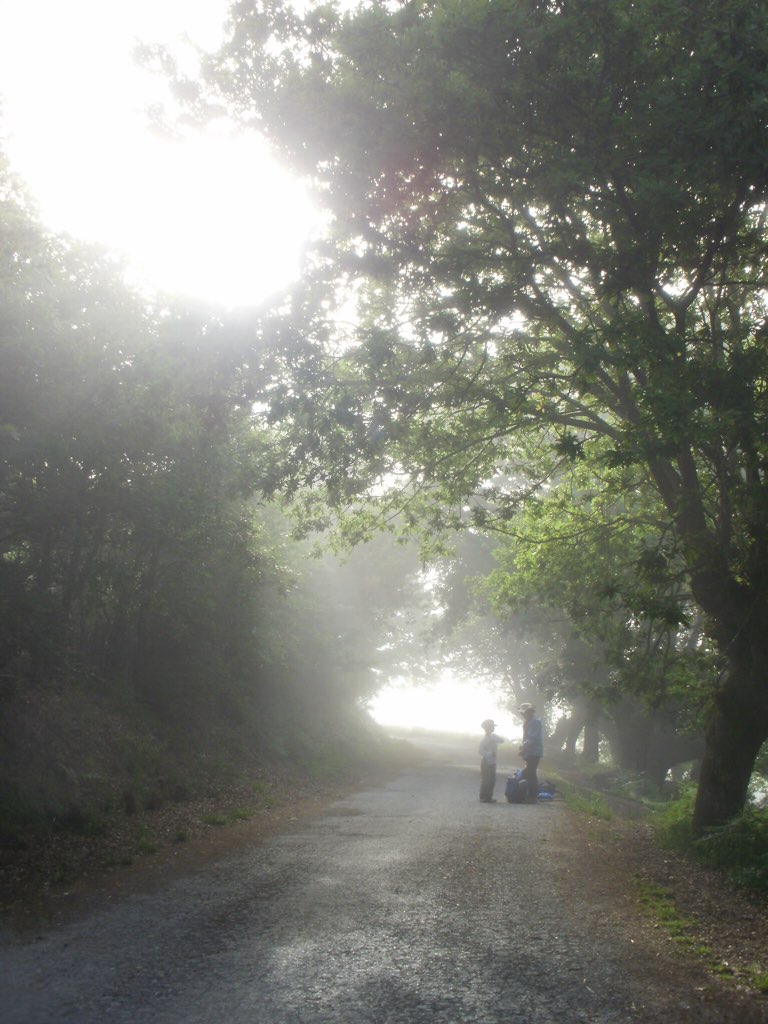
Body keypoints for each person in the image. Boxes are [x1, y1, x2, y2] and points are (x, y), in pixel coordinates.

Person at [516, 703, 543, 803]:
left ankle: (532, 797)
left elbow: (532, 738)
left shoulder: (534, 722)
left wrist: (523, 747)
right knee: (528, 772)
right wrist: (523, 747)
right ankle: (527, 795)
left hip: (534, 751)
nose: (523, 715)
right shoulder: (529, 721)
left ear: (529, 712)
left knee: (531, 773)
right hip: (530, 751)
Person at [478, 718, 504, 803]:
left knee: (492, 779)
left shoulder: (493, 736)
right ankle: (483, 796)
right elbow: (480, 751)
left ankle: (489, 796)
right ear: (487, 728)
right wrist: (489, 754)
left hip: (493, 762)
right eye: (492, 727)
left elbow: (502, 740)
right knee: (486, 779)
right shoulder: (484, 740)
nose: (493, 728)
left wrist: (494, 738)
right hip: (486, 761)